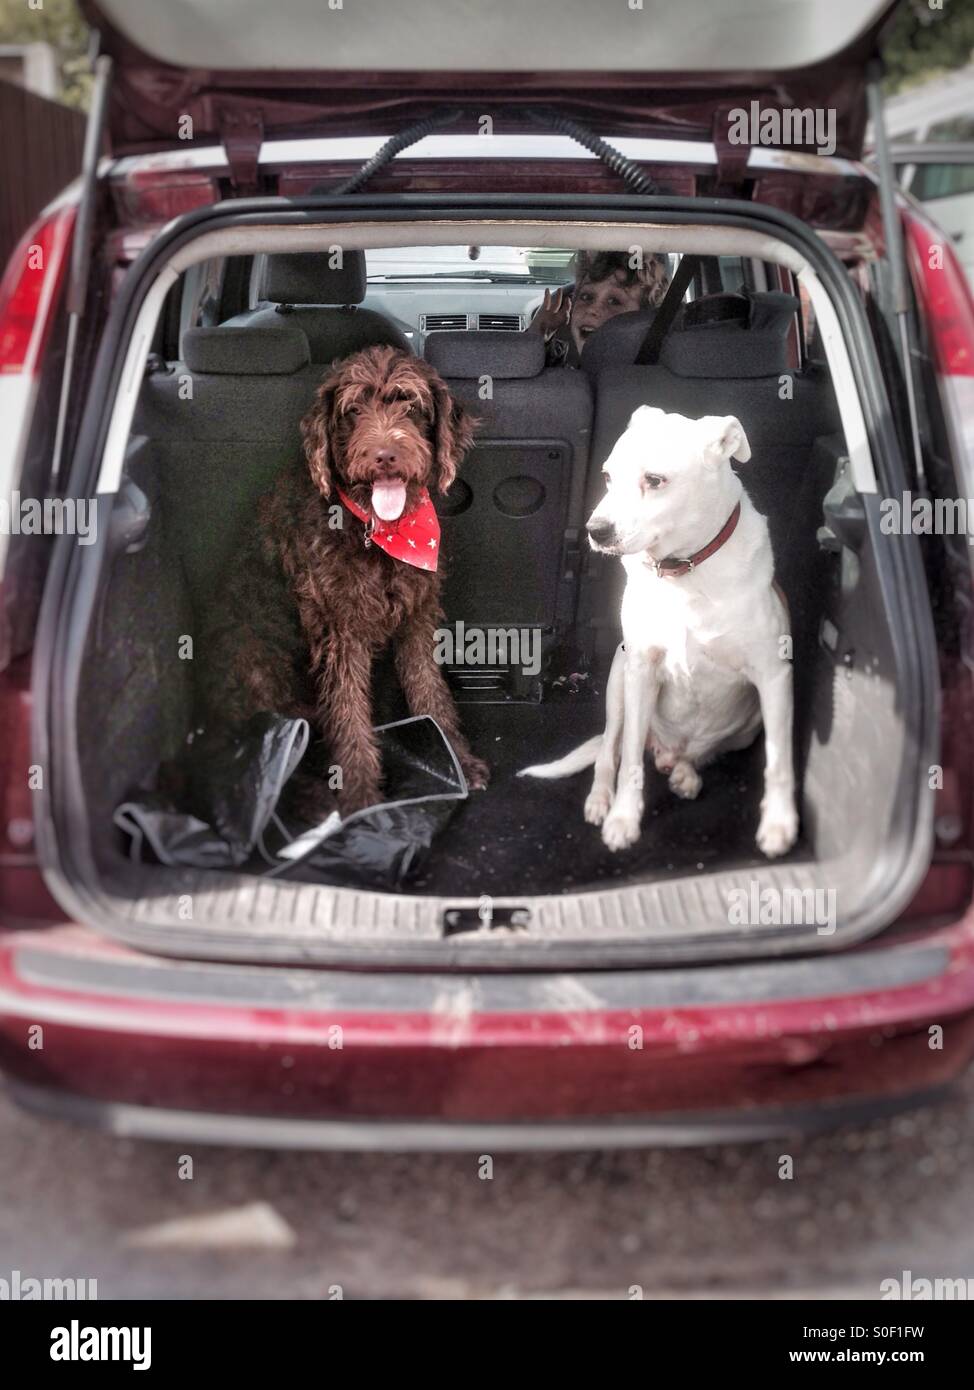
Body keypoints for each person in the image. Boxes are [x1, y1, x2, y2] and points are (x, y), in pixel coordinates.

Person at [528, 250, 671, 367]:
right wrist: (537, 338)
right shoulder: (563, 380)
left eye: (614, 301)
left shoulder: (656, 383)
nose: (592, 309)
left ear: (644, 321)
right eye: (586, 297)